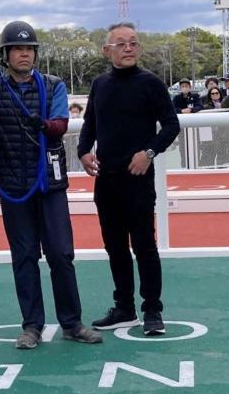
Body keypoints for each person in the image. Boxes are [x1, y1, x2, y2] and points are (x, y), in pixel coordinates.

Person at [0, 21, 101, 349]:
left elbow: (59, 125)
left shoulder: (53, 85)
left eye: (29, 49)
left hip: (49, 184)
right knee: (24, 256)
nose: (24, 54)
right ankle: (32, 326)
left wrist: (41, 124)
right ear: (6, 55)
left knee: (60, 254)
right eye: (18, 49)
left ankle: (72, 322)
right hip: (13, 186)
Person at [77, 23, 179, 336]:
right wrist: (82, 152)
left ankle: (152, 310)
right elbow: (90, 125)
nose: (128, 48)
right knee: (115, 247)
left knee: (145, 246)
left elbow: (171, 126)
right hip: (106, 180)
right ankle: (124, 308)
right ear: (107, 51)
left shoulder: (151, 83)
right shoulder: (100, 84)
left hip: (138, 180)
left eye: (133, 43)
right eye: (121, 44)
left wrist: (148, 153)